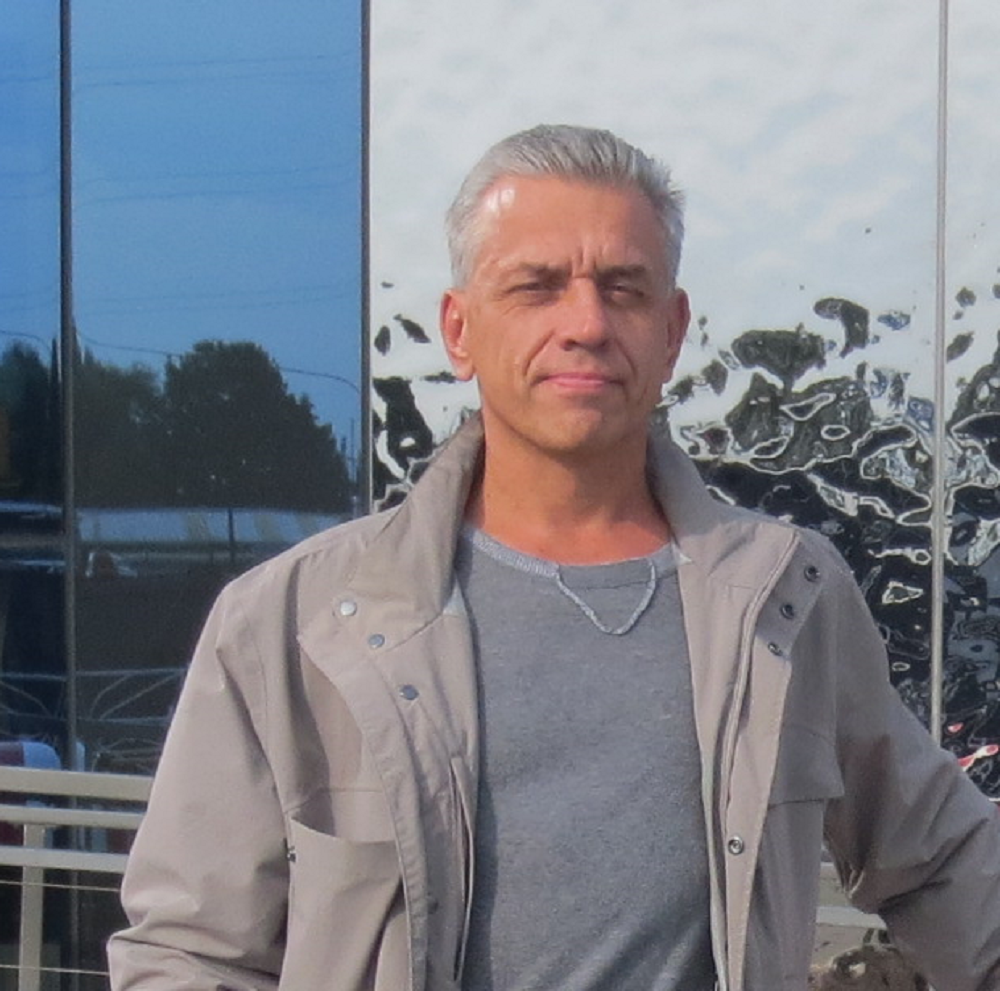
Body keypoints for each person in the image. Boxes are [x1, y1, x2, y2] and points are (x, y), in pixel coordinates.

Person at [108, 124, 1000, 991]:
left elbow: (942, 857)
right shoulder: (296, 622)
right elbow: (192, 952)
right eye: (536, 286)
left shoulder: (783, 599)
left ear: (672, 329)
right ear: (459, 329)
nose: (586, 323)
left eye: (624, 288)